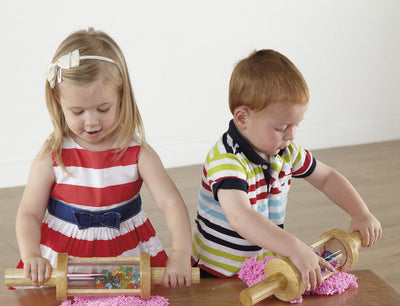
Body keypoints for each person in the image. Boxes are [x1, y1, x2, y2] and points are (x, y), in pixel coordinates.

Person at [16, 28, 192, 288]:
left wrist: (180, 254)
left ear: (121, 96)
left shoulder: (138, 154)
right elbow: (29, 213)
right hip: (63, 253)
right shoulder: (53, 156)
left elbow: (172, 204)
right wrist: (31, 254)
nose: (91, 121)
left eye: (103, 108)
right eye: (77, 111)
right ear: (58, 101)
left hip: (124, 250)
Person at [192, 49, 382, 291]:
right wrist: (295, 247)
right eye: (282, 127)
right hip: (217, 274)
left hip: (264, 265)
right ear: (242, 118)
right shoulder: (226, 160)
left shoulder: (285, 150)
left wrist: (360, 211)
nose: (292, 135)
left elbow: (326, 178)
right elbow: (241, 217)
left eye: (297, 125)